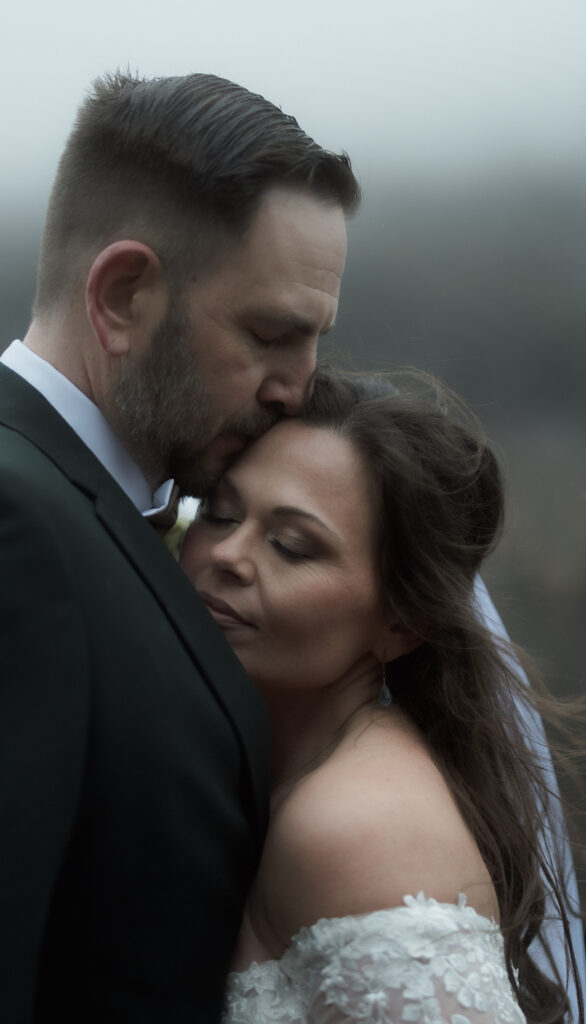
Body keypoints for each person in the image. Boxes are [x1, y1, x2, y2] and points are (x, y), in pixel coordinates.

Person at [0, 71, 358, 1023]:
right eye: (270, 334)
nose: (298, 388)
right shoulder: (13, 518)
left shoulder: (101, 507)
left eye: (315, 342)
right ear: (123, 296)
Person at [178, 367, 586, 1023]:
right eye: (219, 513)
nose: (227, 552)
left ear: (403, 624)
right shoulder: (279, 775)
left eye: (292, 545)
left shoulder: (362, 829)